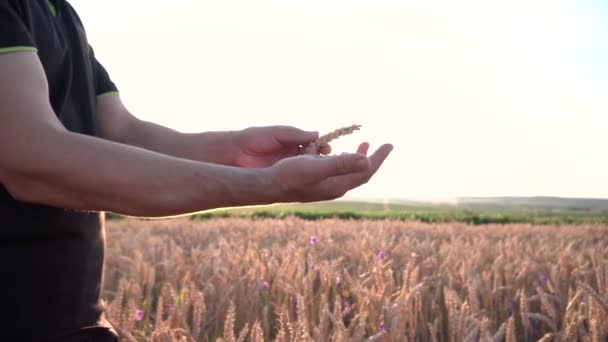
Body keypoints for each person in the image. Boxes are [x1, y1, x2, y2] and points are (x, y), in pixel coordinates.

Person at [0, 1, 393, 341]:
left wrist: (239, 152)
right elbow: (32, 159)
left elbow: (121, 133)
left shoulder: (62, 13)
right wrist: (265, 185)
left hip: (77, 325)